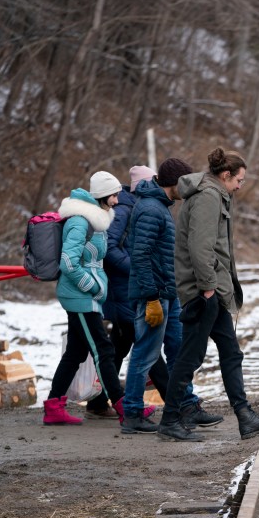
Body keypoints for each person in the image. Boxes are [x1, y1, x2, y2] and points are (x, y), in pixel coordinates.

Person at [156, 148, 259, 442]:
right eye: (239, 180)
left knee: (230, 353)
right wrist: (208, 288)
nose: (240, 186)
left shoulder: (213, 194)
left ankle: (245, 416)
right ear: (225, 175)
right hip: (204, 292)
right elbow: (201, 248)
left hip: (211, 290)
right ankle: (170, 419)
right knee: (190, 356)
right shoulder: (208, 197)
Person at [121, 158, 224, 434]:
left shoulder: (161, 207)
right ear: (174, 183)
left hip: (169, 293)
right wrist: (151, 297)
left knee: (180, 349)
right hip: (154, 296)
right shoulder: (151, 210)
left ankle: (186, 406)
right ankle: (131, 413)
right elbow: (140, 256)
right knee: (145, 353)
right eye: (185, 182)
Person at [43, 171, 140, 426]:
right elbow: (68, 263)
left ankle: (54, 406)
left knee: (76, 352)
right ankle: (124, 409)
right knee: (104, 350)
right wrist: (93, 286)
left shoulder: (96, 220)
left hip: (87, 296)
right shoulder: (80, 222)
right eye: (114, 195)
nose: (118, 200)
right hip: (79, 296)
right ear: (102, 196)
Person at [85, 165, 160, 419]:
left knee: (121, 344)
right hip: (122, 289)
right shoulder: (125, 210)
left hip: (124, 288)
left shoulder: (133, 207)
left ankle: (97, 400)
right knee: (146, 342)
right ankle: (177, 401)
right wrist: (136, 268)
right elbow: (110, 249)